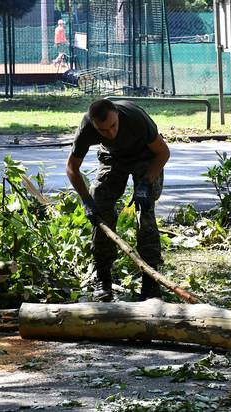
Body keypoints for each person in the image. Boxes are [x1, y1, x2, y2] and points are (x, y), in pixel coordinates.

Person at [66, 99, 170, 301]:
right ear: (94, 125)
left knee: (145, 208)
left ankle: (150, 279)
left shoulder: (136, 119)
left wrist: (145, 183)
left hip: (145, 156)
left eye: (113, 126)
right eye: (103, 131)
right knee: (100, 206)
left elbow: (163, 152)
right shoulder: (87, 127)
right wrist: (87, 200)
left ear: (118, 116)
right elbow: (72, 167)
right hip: (113, 157)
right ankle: (103, 277)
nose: (111, 133)